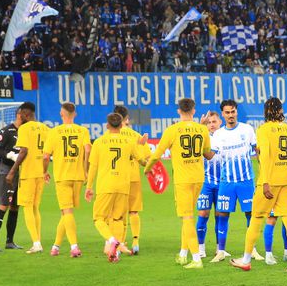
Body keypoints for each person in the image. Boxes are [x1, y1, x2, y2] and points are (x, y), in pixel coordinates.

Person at [235, 97, 287, 273]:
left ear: (266, 111)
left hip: (270, 181)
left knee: (256, 218)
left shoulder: (263, 130)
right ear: (280, 111)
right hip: (286, 180)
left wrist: (265, 182)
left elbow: (264, 156)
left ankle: (246, 259)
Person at [150, 98, 215, 268]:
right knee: (189, 215)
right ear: (193, 111)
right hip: (198, 178)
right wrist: (201, 128)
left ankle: (196, 259)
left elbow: (156, 155)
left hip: (183, 180)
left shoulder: (172, 130)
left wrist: (147, 168)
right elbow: (207, 153)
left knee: (187, 218)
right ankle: (183, 254)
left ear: (179, 111)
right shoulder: (202, 129)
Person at [86, 112, 146, 262]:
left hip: (105, 185)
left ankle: (112, 240)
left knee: (98, 219)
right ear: (121, 125)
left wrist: (89, 186)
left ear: (107, 126)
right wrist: (152, 166)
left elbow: (93, 167)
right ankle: (116, 253)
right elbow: (142, 160)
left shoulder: (99, 142)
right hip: (123, 186)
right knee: (118, 218)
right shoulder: (129, 141)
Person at [205, 101, 259, 264]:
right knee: (222, 214)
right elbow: (210, 156)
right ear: (223, 114)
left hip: (246, 181)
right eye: (227, 112)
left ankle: (253, 250)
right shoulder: (218, 134)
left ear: (236, 112)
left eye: (233, 111)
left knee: (251, 215)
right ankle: (221, 251)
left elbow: (257, 151)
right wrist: (201, 135)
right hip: (227, 182)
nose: (230, 115)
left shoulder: (247, 129)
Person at [46, 102, 92, 258]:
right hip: (78, 176)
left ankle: (74, 247)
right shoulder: (83, 130)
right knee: (66, 213)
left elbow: (46, 156)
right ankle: (56, 246)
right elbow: (88, 150)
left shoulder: (54, 132)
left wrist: (44, 171)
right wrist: (86, 170)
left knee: (67, 211)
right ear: (75, 114)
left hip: (62, 176)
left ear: (61, 114)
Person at [9, 102, 49, 254]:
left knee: (27, 207)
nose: (19, 117)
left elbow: (23, 151)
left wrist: (12, 170)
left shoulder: (24, 128)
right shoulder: (45, 128)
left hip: (28, 173)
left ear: (26, 114)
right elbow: (48, 153)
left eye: (20, 114)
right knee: (35, 208)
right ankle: (37, 241)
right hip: (40, 173)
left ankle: (36, 243)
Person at [0, 106, 22, 252]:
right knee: (4, 205)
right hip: (6, 172)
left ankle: (10, 241)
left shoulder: (25, 131)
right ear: (19, 115)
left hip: (20, 173)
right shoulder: (7, 131)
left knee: (15, 206)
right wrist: (9, 155)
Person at [114, 105, 146, 255]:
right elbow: (146, 157)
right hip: (134, 177)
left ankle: (120, 243)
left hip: (117, 177)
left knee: (119, 214)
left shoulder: (110, 135)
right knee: (134, 211)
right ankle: (135, 242)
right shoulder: (135, 135)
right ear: (127, 118)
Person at [194, 110, 223, 256]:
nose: (211, 124)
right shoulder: (202, 137)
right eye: (209, 122)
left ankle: (219, 248)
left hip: (222, 182)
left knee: (220, 215)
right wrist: (200, 127)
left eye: (214, 122)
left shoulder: (225, 137)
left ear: (220, 122)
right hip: (205, 182)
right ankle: (200, 248)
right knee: (203, 213)